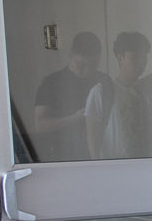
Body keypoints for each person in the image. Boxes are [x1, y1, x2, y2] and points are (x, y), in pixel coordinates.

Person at [32, 32, 108, 162]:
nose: (87, 71)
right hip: (63, 157)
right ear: (70, 55)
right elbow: (40, 124)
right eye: (81, 66)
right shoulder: (51, 83)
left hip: (101, 156)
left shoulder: (105, 82)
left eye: (93, 66)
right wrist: (74, 119)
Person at [86, 32, 152, 159]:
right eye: (134, 57)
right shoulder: (101, 91)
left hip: (143, 166)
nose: (140, 63)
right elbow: (92, 135)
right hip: (113, 168)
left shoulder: (144, 91)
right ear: (120, 58)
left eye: (144, 57)